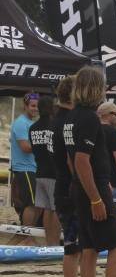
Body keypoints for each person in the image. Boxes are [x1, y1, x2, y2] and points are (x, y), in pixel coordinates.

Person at [66, 66, 116, 277]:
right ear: (95, 88)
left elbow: (71, 160)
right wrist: (95, 197)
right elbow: (81, 160)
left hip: (79, 186)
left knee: (89, 248)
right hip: (93, 187)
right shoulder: (89, 119)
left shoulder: (70, 117)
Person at [52, 76, 84, 277]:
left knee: (80, 246)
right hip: (70, 188)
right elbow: (70, 159)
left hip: (62, 185)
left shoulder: (57, 119)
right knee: (73, 247)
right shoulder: (67, 121)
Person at [27, 95, 59, 245]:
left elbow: (34, 149)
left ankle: (48, 242)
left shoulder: (32, 128)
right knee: (56, 209)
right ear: (52, 108)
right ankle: (54, 244)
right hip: (53, 173)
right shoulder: (54, 126)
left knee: (46, 208)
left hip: (39, 171)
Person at [9, 93, 40, 226]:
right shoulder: (21, 123)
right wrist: (43, 144)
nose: (36, 109)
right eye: (33, 106)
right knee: (31, 204)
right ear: (25, 106)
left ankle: (24, 233)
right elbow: (25, 147)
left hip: (32, 169)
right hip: (24, 169)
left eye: (37, 106)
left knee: (36, 204)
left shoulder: (31, 123)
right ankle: (27, 234)